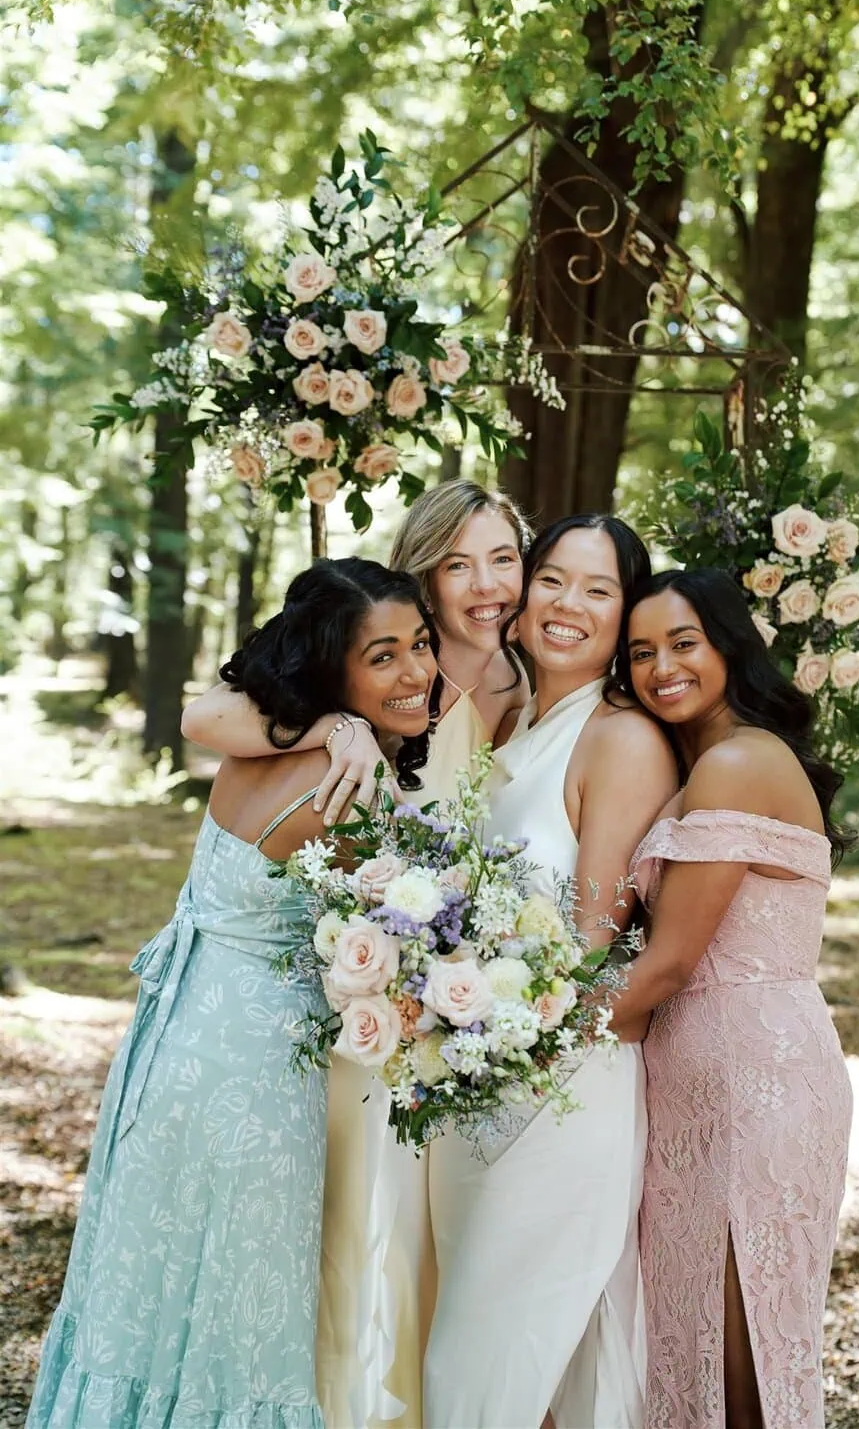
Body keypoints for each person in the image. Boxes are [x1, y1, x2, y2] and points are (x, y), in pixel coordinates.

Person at [27, 557, 439, 1429]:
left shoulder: (262, 747)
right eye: (384, 656)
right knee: (240, 1313)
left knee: (158, 1285)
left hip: (176, 1039)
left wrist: (335, 723)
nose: (416, 672)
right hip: (257, 1077)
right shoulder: (353, 794)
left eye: (421, 645)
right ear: (334, 670)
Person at [180, 480, 531, 1429]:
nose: (486, 584)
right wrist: (332, 721)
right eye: (458, 563)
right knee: (339, 1223)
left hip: (435, 982)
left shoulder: (525, 674)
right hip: (345, 984)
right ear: (422, 571)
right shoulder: (362, 649)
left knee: (430, 1225)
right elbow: (206, 721)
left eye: (503, 558)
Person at [424, 515, 679, 1429]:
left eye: (599, 590)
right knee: (474, 1335)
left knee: (501, 1352)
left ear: (626, 616)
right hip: (470, 1073)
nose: (568, 605)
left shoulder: (620, 739)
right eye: (553, 581)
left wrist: (508, 1028)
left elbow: (597, 939)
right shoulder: (508, 720)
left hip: (559, 1080)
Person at [610, 568, 854, 1429]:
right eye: (640, 652)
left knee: (741, 1341)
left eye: (684, 643)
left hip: (757, 1081)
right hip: (695, 1084)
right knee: (689, 1338)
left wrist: (527, 1041)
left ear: (728, 646)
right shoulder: (702, 763)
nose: (661, 667)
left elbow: (671, 963)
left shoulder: (741, 762)